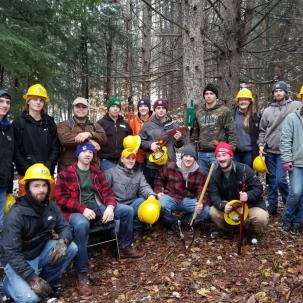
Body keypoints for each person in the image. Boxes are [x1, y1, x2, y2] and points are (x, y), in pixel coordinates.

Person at [55, 143, 144, 297]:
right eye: (84, 152)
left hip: (97, 206)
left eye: (90, 152)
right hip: (74, 211)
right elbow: (61, 199)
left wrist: (109, 207)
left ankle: (124, 247)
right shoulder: (65, 173)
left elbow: (107, 192)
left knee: (127, 211)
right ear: (77, 155)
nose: (88, 154)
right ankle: (81, 273)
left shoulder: (96, 172)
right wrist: (82, 209)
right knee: (82, 225)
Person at [1, 163, 77, 303]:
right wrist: (32, 278)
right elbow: (11, 252)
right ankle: (7, 285)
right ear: (28, 187)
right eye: (36, 186)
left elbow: (65, 227)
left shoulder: (50, 206)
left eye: (44, 185)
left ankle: (45, 283)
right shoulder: (16, 214)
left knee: (71, 248)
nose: (41, 190)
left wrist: (63, 242)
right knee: (30, 299)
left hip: (39, 251)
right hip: (18, 261)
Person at [208, 142, 269, 241]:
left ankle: (251, 232)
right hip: (230, 208)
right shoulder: (214, 175)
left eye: (224, 155)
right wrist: (222, 206)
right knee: (212, 211)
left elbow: (258, 188)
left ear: (231, 156)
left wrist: (248, 195)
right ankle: (231, 229)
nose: (221, 158)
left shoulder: (245, 169)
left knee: (261, 217)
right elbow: (213, 195)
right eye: (218, 156)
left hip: (249, 205)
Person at [257, 81, 302, 215]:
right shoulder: (267, 110)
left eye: (280, 91)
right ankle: (272, 207)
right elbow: (262, 130)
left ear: (285, 92)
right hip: (270, 150)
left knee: (281, 180)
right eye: (275, 91)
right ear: (273, 94)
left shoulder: (295, 105)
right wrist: (260, 144)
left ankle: (290, 204)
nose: (278, 93)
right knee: (271, 181)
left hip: (286, 151)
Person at [12, 84, 60, 197]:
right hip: (26, 175)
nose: (38, 102)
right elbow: (16, 150)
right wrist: (29, 170)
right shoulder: (18, 123)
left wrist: (47, 168)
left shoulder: (50, 123)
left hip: (46, 174)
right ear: (28, 101)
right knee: (27, 209)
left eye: (41, 100)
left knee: (48, 208)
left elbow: (55, 148)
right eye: (34, 99)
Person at [154, 144, 209, 229]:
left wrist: (201, 202)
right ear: (182, 157)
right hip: (171, 196)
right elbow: (159, 177)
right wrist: (158, 192)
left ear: (195, 159)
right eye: (186, 156)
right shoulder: (171, 166)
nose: (188, 158)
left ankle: (183, 222)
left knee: (205, 211)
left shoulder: (200, 172)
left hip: (188, 199)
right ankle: (173, 222)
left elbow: (201, 190)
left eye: (191, 156)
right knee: (161, 205)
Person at [105, 148, 156, 230]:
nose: (131, 161)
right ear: (122, 159)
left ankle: (131, 226)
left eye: (133, 158)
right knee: (118, 228)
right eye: (128, 158)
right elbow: (105, 192)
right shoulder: (111, 173)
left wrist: (151, 195)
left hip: (132, 204)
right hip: (117, 205)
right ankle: (125, 228)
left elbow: (144, 186)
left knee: (143, 201)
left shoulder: (138, 173)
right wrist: (109, 206)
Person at [191, 83, 236, 174]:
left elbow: (231, 131)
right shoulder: (198, 112)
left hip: (219, 153)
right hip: (202, 153)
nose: (208, 96)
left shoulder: (224, 111)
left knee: (219, 180)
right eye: (206, 94)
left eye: (211, 94)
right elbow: (195, 133)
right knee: (204, 181)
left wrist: (231, 150)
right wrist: (193, 150)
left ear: (216, 96)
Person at [140, 98, 184, 186]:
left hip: (169, 163)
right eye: (158, 108)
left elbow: (178, 145)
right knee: (154, 192)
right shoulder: (147, 125)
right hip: (153, 165)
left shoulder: (174, 125)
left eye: (163, 108)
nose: (161, 110)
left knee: (169, 192)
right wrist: (150, 145)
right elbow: (140, 141)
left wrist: (179, 139)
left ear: (166, 110)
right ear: (154, 110)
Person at [57, 97, 107, 171]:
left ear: (88, 110)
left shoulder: (94, 125)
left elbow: (103, 138)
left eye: (84, 107)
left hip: (91, 169)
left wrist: (89, 134)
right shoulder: (64, 124)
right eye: (78, 106)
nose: (81, 109)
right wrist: (90, 141)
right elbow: (65, 139)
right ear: (73, 108)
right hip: (68, 169)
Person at [280, 102, 303, 233]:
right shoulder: (292, 118)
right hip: (296, 162)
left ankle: (298, 221)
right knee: (296, 192)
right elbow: (285, 139)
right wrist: (287, 159)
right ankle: (287, 219)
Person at [97, 96, 132, 171]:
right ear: (108, 108)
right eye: (113, 106)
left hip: (122, 160)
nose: (115, 109)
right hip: (106, 159)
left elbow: (131, 140)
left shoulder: (125, 124)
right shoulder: (101, 123)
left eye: (117, 107)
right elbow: (96, 139)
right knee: (112, 180)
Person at [233, 88, 260, 167]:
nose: (243, 102)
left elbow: (261, 133)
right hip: (235, 152)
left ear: (250, 101)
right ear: (238, 101)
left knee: (248, 176)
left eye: (246, 99)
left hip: (249, 152)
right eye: (241, 99)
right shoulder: (232, 115)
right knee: (235, 176)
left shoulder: (256, 116)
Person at [0, 90, 14, 231]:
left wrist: (9, 187)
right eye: (1, 101)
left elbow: (8, 160)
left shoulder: (8, 129)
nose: (5, 105)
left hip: (2, 185)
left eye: (7, 102)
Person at [127, 97, 153, 164]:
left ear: (149, 108)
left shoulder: (154, 120)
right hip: (137, 157)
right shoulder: (133, 121)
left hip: (151, 156)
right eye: (141, 106)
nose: (143, 108)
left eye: (145, 106)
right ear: (138, 108)